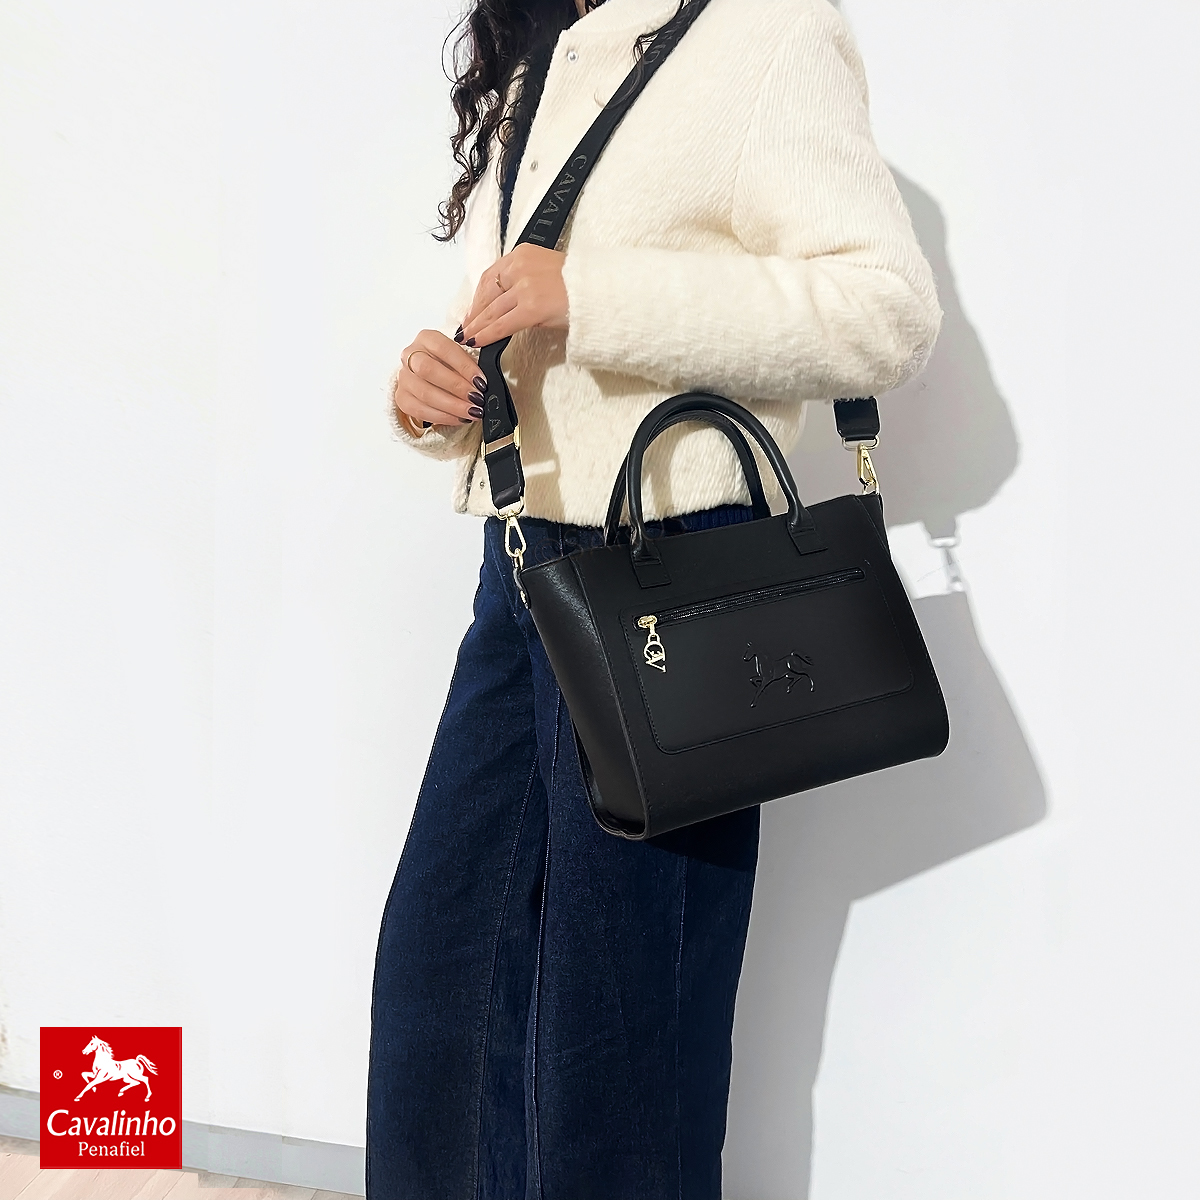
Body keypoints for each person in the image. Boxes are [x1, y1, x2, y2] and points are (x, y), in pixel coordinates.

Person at [367, 0, 941, 1195]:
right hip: (523, 572)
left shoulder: (771, 32)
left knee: (618, 1022)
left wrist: (594, 297)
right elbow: (528, 332)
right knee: (447, 979)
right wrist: (439, 398)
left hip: (680, 577)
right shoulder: (543, 48)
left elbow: (885, 310)